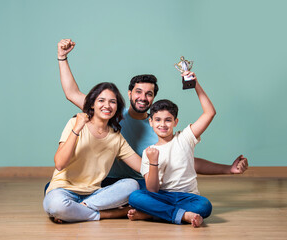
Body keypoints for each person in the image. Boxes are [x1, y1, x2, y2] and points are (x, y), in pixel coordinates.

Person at [57, 38, 248, 189]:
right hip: (104, 181)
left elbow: (186, 161)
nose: (143, 97)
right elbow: (71, 93)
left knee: (140, 192)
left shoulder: (158, 128)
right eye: (138, 92)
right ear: (130, 93)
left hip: (137, 184)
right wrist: (62, 57)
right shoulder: (109, 113)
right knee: (54, 188)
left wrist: (228, 169)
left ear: (153, 99)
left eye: (149, 94)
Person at [43, 82, 142, 223]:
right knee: (57, 206)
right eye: (101, 100)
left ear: (117, 108)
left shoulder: (116, 137)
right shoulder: (74, 124)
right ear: (92, 105)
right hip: (63, 190)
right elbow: (59, 164)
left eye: (112, 102)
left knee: (132, 185)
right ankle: (107, 214)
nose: (107, 105)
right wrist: (77, 128)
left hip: (94, 195)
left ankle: (77, 211)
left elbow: (141, 166)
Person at [128, 73, 215, 228]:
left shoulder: (185, 138)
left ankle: (153, 214)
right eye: (158, 120)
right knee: (135, 197)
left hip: (188, 197)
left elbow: (209, 113)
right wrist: (153, 162)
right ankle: (182, 216)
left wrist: (196, 85)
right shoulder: (149, 152)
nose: (163, 124)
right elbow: (153, 189)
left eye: (168, 120)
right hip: (162, 196)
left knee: (205, 206)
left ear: (175, 122)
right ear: (151, 122)